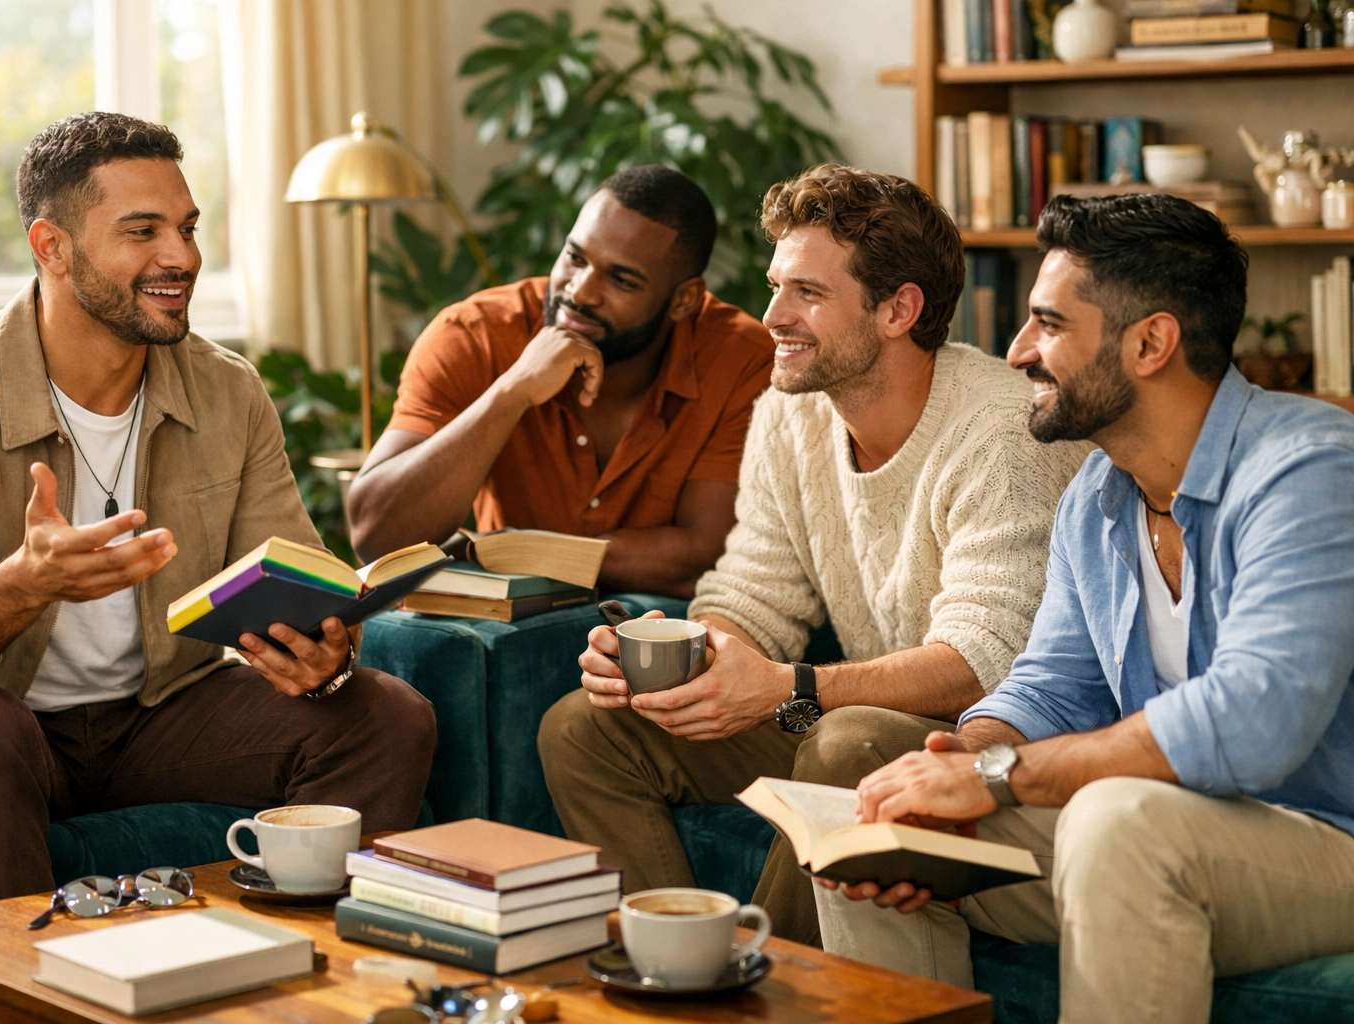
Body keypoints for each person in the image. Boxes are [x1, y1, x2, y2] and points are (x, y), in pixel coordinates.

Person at [0, 112, 436, 913]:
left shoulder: (229, 393)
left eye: (186, 228)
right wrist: (24, 584)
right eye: (142, 231)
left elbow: (294, 572)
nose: (181, 257)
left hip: (151, 714)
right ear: (53, 248)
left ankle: (299, 983)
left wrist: (325, 653)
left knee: (384, 715)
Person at [819, 193, 1354, 1023]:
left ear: (1150, 343)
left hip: (1329, 839)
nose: (1017, 349)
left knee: (1119, 821)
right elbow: (1051, 688)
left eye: (1049, 324)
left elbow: (1256, 717)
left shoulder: (1309, 471)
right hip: (1175, 831)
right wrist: (963, 758)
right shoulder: (1100, 496)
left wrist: (999, 776)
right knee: (881, 833)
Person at [539, 164, 1090, 941]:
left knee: (847, 744)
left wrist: (786, 687)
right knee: (584, 728)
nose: (771, 316)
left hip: (981, 746)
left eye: (807, 292)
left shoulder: (1001, 432)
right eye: (775, 286)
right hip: (840, 708)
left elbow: (984, 660)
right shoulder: (787, 416)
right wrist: (681, 667)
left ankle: (763, 987)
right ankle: (679, 960)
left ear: (899, 310)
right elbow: (755, 593)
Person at [346, 166, 774, 598]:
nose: (580, 292)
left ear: (684, 299)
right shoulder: (473, 335)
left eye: (621, 279)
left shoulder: (742, 361)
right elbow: (376, 536)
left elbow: (711, 554)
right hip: (507, 631)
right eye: (575, 258)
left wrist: (521, 551)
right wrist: (513, 390)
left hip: (662, 631)